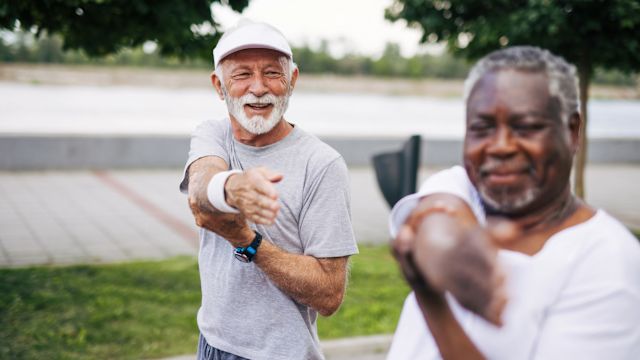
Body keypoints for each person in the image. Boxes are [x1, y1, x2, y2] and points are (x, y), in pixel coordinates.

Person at [386, 46, 640, 359]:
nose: (501, 146)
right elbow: (437, 225)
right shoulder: (461, 185)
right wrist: (444, 252)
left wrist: (432, 300)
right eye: (482, 128)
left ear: (573, 131)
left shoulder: (606, 260)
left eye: (527, 127)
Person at [179, 20, 358, 360]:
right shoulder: (213, 133)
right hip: (212, 345)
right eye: (242, 74)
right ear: (219, 86)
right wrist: (232, 187)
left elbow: (329, 295)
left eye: (273, 74)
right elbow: (201, 192)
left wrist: (248, 241)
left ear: (292, 81)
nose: (258, 88)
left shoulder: (322, 164)